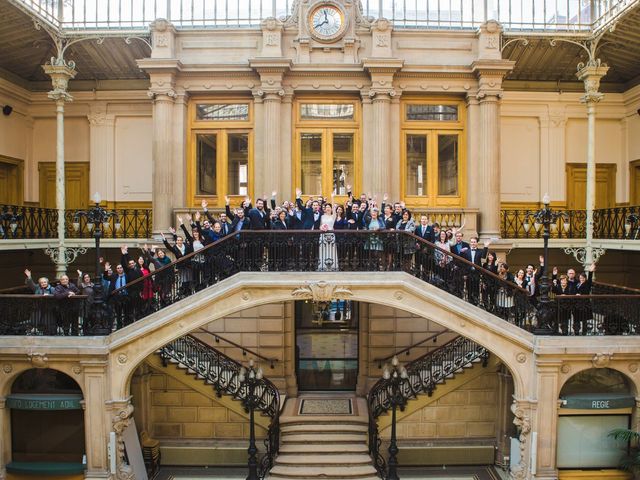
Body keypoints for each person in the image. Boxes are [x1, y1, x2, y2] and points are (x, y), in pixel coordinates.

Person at [318, 202, 338, 272]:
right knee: (324, 250)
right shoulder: (322, 216)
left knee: (331, 250)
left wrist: (332, 198)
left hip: (331, 235)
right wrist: (322, 227)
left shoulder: (333, 216)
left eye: (329, 207)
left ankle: (332, 266)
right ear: (325, 209)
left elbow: (334, 209)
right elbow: (320, 225)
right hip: (323, 235)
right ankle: (323, 266)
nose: (328, 208)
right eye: (326, 207)